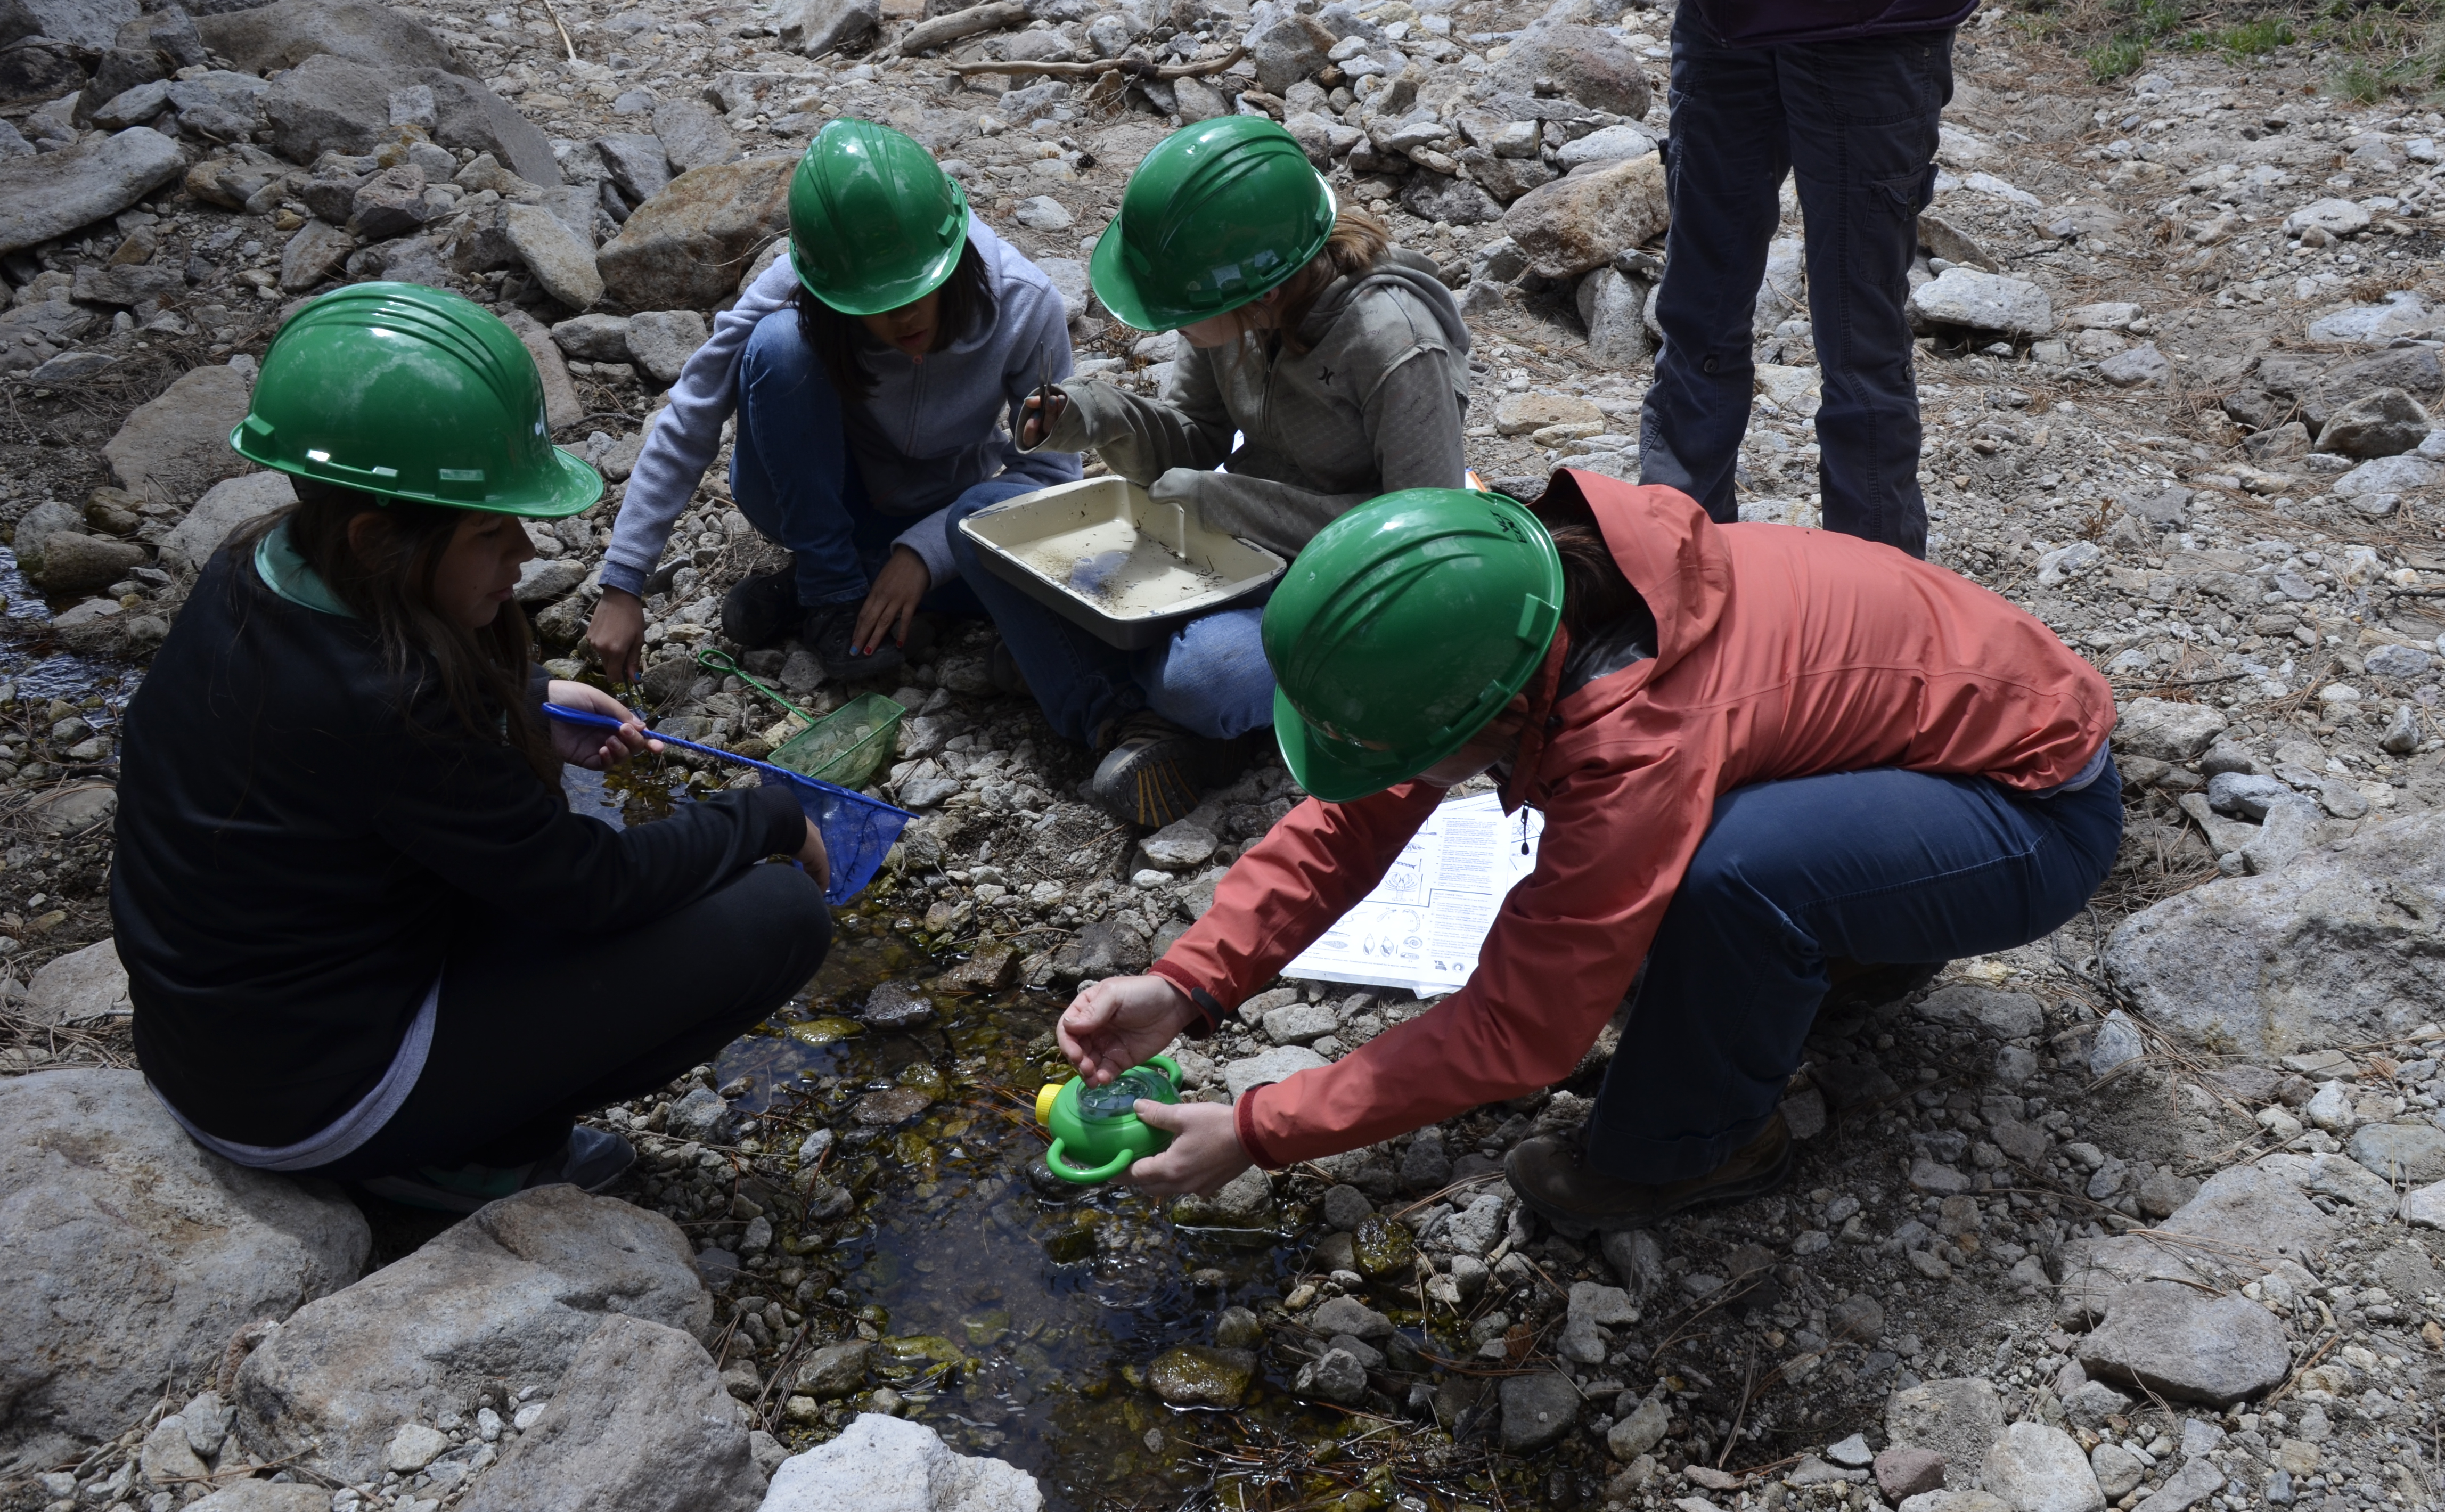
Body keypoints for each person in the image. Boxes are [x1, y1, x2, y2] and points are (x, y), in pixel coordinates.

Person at [1054, 472, 2120, 1232]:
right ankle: (1841, 962)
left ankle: (1693, 1151)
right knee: (1697, 882)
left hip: (2029, 814)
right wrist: (1185, 985)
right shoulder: (1506, 604)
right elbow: (1356, 812)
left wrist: (1258, 1128)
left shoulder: (1633, 734)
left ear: (1502, 708)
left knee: (1731, 878)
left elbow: (1520, 1033)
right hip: (1921, 770)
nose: (1394, 773)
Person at [112, 283, 834, 1213]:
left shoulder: (253, 568)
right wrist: (767, 814)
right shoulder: (399, 705)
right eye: (492, 532)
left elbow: (338, 762)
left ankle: (457, 1120)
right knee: (778, 913)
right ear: (377, 541)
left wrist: (523, 704)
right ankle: (470, 1154)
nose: (525, 555)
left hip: (218, 1046)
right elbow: (593, 885)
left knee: (556, 829)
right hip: (311, 1100)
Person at [953, 116, 1470, 829]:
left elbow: (1420, 543)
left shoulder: (1393, 344)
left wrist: (1226, 502)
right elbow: (1193, 445)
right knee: (977, 516)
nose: (1169, 327)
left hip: (1350, 589)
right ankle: (1133, 720)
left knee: (1212, 678)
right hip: (1232, 552)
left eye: (1180, 313)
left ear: (1259, 294)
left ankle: (1107, 690)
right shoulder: (1233, 311)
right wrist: (1092, 415)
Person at [1634, 0, 2055, 557]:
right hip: (1722, 1)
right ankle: (1669, 583)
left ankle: (1879, 619)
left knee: (1857, 339)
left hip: (1870, 14)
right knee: (1697, 309)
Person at [586, 118, 1078, 684]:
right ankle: (830, 590)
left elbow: (1048, 476)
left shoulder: (1025, 301)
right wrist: (622, 582)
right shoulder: (794, 279)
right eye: (876, 300)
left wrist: (923, 552)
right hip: (807, 492)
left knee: (1042, 568)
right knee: (778, 344)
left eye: (919, 289)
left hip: (940, 504)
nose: (903, 316)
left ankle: (825, 587)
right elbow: (692, 411)